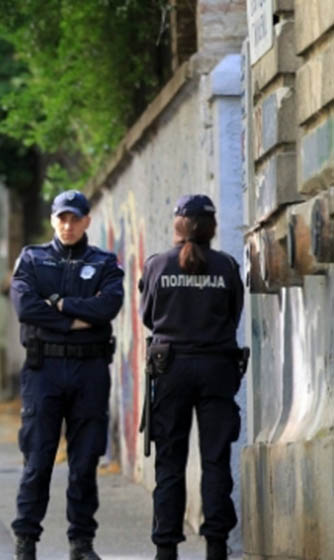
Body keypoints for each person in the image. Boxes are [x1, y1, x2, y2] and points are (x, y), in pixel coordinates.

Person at [10, 190, 124, 560]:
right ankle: (26, 541)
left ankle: (81, 543)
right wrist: (76, 320)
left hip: (89, 369)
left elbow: (108, 306)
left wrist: (59, 304)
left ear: (87, 220)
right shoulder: (32, 258)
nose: (68, 225)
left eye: (75, 218)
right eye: (62, 218)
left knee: (85, 462)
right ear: (53, 220)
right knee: (38, 460)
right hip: (44, 369)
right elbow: (26, 307)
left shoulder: (104, 262)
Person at [139, 195, 244, 560]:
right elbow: (234, 315)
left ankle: (166, 548)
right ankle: (217, 546)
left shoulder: (157, 266)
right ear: (212, 227)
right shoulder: (227, 267)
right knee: (215, 459)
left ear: (179, 225)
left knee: (170, 461)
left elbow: (148, 317)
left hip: (171, 370)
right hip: (218, 367)